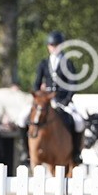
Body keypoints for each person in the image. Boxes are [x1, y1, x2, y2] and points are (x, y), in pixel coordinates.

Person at [31, 30, 84, 163]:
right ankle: (27, 151)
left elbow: (73, 84)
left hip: (62, 99)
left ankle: (76, 153)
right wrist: (39, 97)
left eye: (56, 45)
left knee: (79, 121)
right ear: (48, 46)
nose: (54, 48)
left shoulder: (68, 63)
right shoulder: (43, 63)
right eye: (51, 45)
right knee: (22, 118)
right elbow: (36, 83)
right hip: (45, 101)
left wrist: (66, 100)